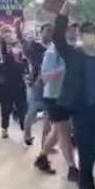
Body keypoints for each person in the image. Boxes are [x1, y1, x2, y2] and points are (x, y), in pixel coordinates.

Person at [44, 0, 95, 189]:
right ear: (81, 36)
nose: (89, 37)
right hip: (81, 110)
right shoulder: (73, 54)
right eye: (86, 34)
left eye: (93, 34)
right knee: (85, 150)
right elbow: (58, 39)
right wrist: (63, 13)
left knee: (92, 150)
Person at [35, 29, 78, 179]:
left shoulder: (73, 50)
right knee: (64, 133)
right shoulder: (52, 52)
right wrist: (64, 70)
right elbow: (45, 77)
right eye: (71, 28)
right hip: (54, 98)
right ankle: (72, 169)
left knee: (56, 132)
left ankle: (42, 157)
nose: (75, 32)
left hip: (68, 97)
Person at [23, 23, 53, 147]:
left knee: (48, 114)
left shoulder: (54, 47)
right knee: (32, 111)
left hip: (51, 84)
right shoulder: (34, 46)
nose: (50, 34)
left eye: (51, 31)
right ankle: (27, 134)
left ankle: (44, 144)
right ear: (41, 32)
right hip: (37, 83)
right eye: (47, 31)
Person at [0, 28, 28, 139]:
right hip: (6, 87)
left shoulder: (20, 55)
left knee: (22, 109)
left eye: (11, 43)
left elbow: (25, 69)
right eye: (7, 43)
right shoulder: (1, 58)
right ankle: (4, 129)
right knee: (6, 109)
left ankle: (25, 131)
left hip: (19, 85)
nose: (10, 46)